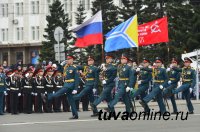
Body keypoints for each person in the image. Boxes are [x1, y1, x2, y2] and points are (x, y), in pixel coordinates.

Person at [45, 55, 79, 119]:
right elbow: (60, 71)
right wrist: (59, 64)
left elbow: (77, 79)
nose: (68, 60)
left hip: (70, 85)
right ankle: (75, 115)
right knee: (71, 101)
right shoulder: (66, 68)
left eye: (69, 59)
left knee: (60, 92)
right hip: (66, 84)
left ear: (72, 60)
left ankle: (49, 97)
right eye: (67, 59)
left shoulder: (74, 68)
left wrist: (76, 88)